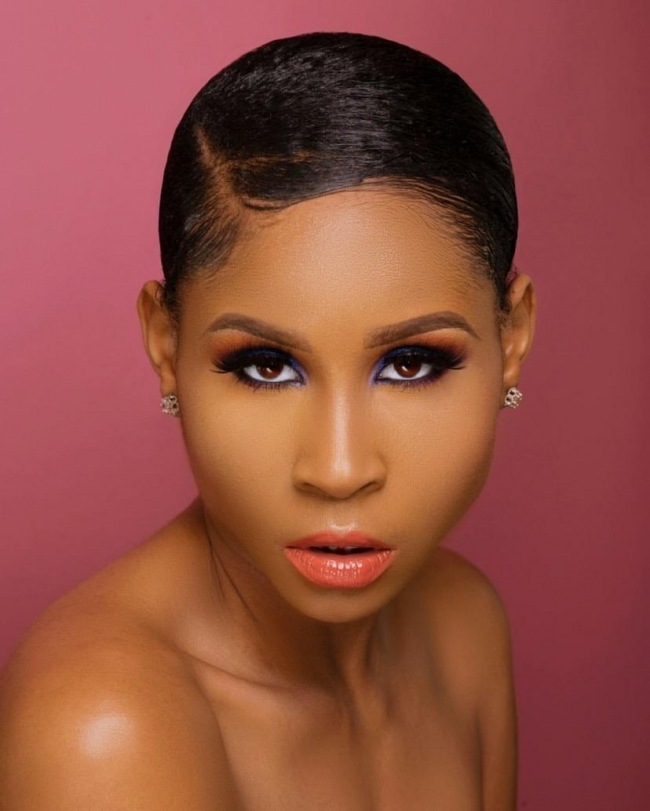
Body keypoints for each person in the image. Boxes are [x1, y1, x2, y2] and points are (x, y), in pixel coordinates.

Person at [0, 31, 535, 810]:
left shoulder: (466, 626)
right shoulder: (103, 728)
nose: (339, 468)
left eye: (411, 363)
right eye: (266, 365)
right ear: (166, 345)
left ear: (512, 342)